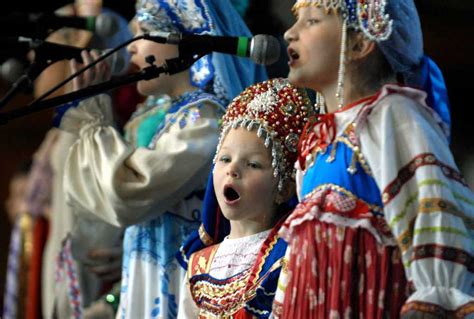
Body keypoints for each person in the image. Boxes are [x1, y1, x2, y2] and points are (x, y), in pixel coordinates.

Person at [56, 0, 267, 317]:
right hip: (146, 275)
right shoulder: (166, 116)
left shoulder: (204, 121)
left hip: (176, 280)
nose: (130, 51)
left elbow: (128, 190)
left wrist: (95, 123)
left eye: (141, 34)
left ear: (182, 40)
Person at [272, 0, 474, 318]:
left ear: (359, 43)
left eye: (310, 22)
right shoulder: (315, 145)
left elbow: (433, 211)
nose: (289, 33)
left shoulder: (392, 115)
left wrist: (433, 300)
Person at [176, 78, 312, 318]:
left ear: (285, 189)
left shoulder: (290, 257)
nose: (233, 170)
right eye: (225, 159)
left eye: (253, 164)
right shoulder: (197, 266)